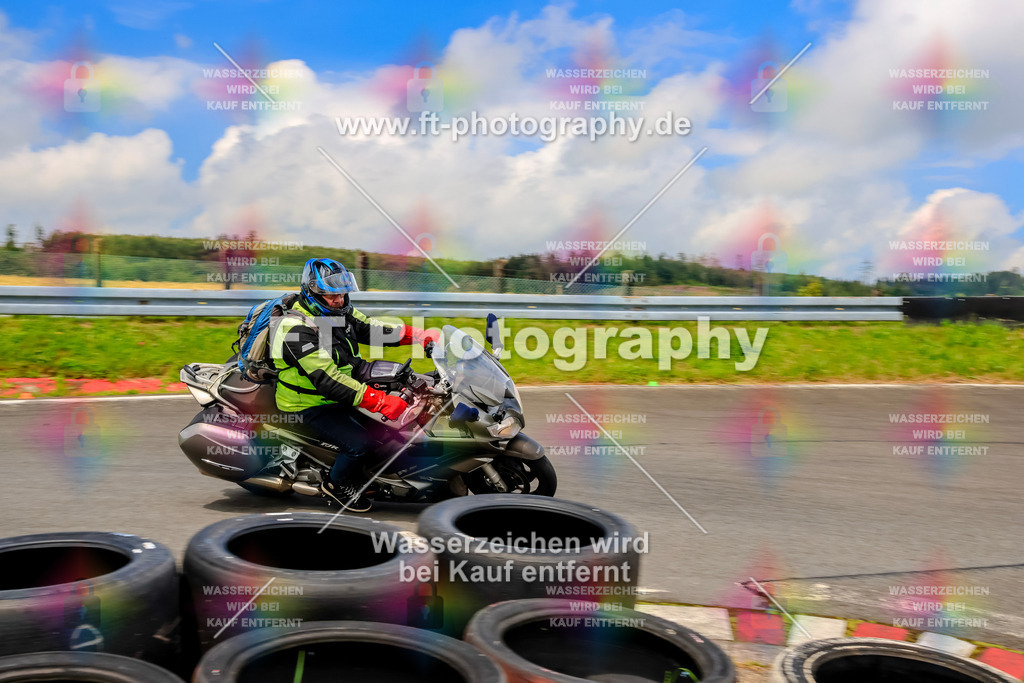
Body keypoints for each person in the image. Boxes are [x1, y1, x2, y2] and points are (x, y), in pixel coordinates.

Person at [268, 257, 437, 511]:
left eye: (343, 294)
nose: (339, 300)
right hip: (310, 402)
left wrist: (418, 335)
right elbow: (327, 379)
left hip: (342, 386)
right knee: (361, 445)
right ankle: (336, 485)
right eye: (331, 295)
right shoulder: (294, 328)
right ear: (312, 292)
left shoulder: (339, 311)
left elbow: (373, 329)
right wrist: (379, 401)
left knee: (396, 422)